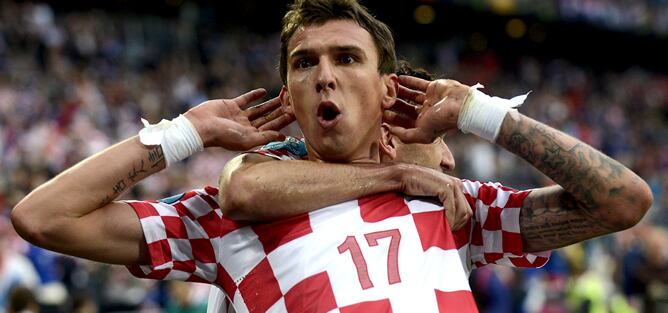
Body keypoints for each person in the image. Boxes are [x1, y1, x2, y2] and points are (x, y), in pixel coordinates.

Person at [11, 0, 651, 312]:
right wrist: (186, 133)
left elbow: (624, 200)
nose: (324, 75)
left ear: (386, 89)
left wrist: (481, 114)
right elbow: (45, 218)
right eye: (304, 63)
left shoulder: (453, 208)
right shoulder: (228, 219)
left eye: (347, 59)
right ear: (287, 92)